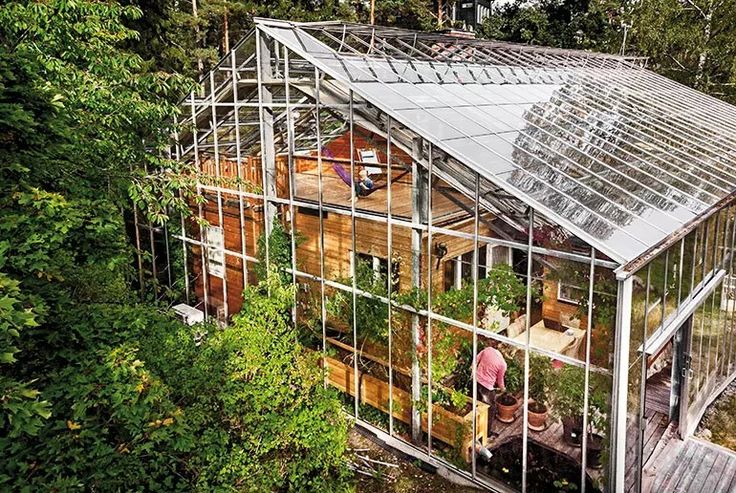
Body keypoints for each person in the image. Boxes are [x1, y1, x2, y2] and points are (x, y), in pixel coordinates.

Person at [476, 340, 507, 437]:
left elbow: (476, 360)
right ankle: (487, 434)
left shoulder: (487, 350)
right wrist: (503, 389)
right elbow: (500, 381)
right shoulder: (502, 364)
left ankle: (474, 428)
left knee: (476, 405)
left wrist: (473, 371)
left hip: (476, 382)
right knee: (490, 410)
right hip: (487, 388)